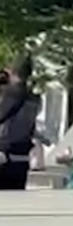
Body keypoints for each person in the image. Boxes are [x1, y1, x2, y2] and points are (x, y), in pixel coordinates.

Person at [0, 54, 39, 190]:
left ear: (12, 71)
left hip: (6, 154)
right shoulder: (33, 97)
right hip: (22, 155)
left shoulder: (11, 94)